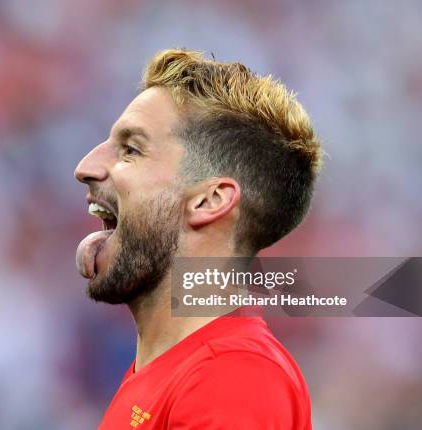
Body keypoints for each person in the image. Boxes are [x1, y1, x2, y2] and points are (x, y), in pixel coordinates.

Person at [74, 48, 321, 429]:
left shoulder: (232, 377)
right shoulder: (174, 370)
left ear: (209, 201)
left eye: (131, 150)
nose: (85, 167)